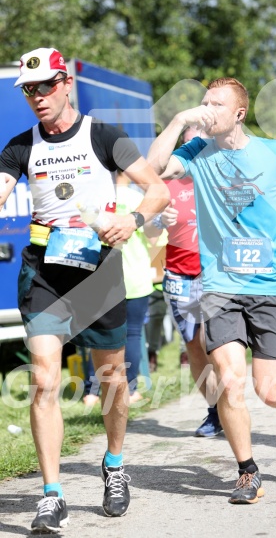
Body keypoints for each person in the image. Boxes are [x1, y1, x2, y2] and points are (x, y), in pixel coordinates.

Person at [0, 47, 169, 533]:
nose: (37, 97)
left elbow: (154, 190)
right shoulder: (20, 146)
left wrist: (132, 219)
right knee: (47, 379)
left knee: (113, 380)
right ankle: (51, 495)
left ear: (65, 83)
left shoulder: (104, 136)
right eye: (29, 90)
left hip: (98, 273)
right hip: (45, 274)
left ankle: (114, 464)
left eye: (45, 86)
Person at [147, 77, 276, 505]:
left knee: (270, 390)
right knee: (230, 382)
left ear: (240, 113)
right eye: (204, 102)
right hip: (219, 287)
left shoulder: (273, 153)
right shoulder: (196, 152)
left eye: (216, 104)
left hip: (270, 287)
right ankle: (247, 472)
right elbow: (153, 169)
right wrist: (179, 119)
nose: (206, 109)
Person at [148, 125, 222, 438]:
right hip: (179, 274)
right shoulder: (166, 184)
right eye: (188, 143)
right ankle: (215, 410)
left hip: (214, 273)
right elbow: (148, 230)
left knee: (214, 343)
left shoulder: (220, 179)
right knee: (193, 346)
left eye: (200, 142)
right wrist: (156, 221)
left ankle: (228, 403)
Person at [83, 170, 156, 406]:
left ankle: (92, 392)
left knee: (97, 335)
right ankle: (131, 389)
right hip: (135, 276)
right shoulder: (138, 200)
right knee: (132, 333)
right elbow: (155, 238)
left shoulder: (94, 199)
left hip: (100, 278)